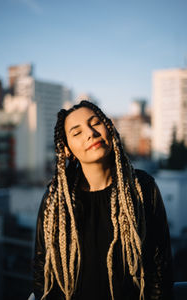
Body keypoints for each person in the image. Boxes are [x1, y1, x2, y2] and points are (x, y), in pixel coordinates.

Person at [33, 100, 174, 300]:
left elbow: (160, 268)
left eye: (95, 123)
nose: (90, 133)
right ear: (66, 149)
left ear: (109, 128)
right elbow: (42, 273)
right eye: (77, 132)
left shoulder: (142, 187)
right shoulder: (55, 200)